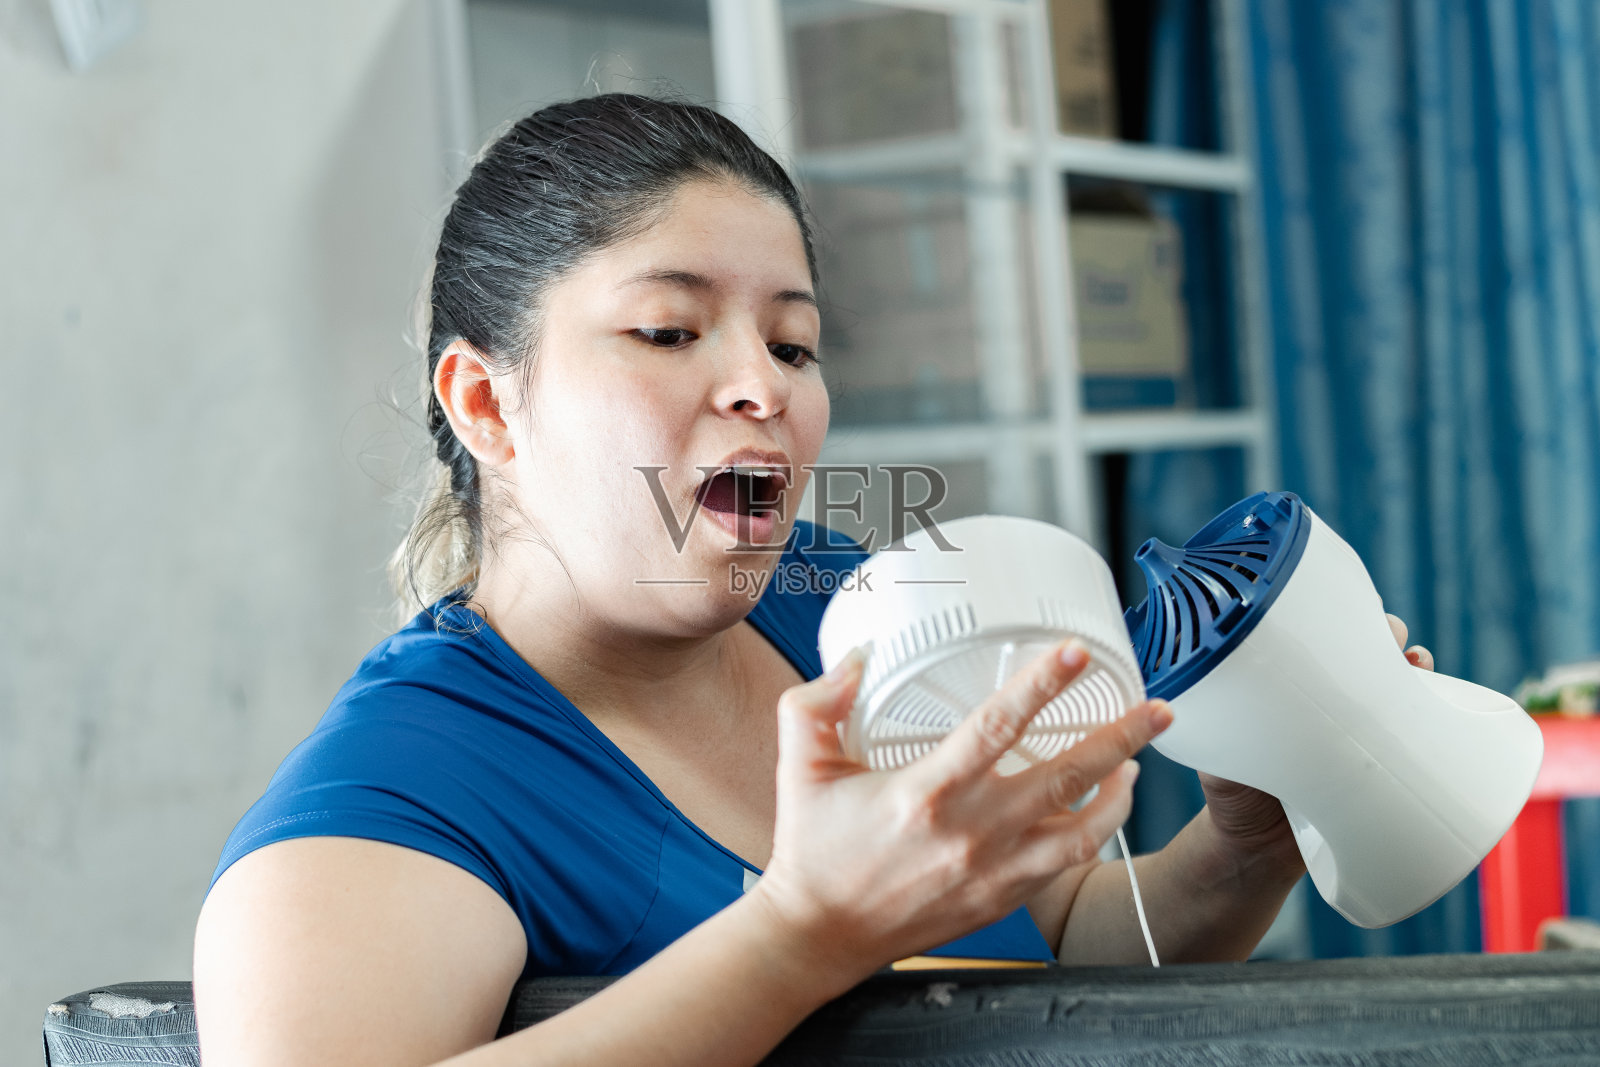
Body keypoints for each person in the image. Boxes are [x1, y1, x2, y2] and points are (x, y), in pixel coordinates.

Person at [193, 94, 1434, 1067]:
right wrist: (800, 932)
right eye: (669, 330)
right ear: (485, 402)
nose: (763, 386)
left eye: (793, 343)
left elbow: (1055, 945)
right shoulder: (393, 800)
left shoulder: (839, 599)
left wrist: (1240, 846)